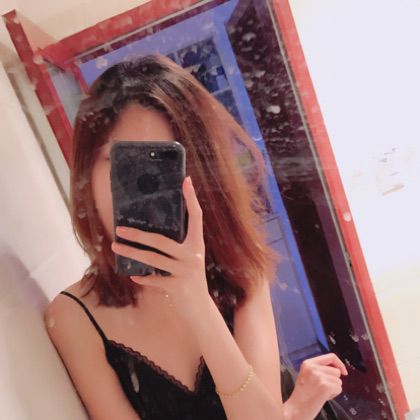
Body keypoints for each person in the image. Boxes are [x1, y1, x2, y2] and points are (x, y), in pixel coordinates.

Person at [44, 54, 348, 420]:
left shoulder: (241, 272)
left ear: (199, 172)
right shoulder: (74, 317)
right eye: (122, 162)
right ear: (85, 171)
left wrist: (197, 303)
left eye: (165, 164)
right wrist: (296, 409)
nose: (145, 187)